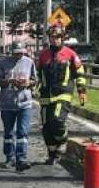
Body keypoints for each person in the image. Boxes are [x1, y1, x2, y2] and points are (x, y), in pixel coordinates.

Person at [36, 25, 87, 164]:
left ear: (62, 38)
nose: (55, 40)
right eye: (52, 37)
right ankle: (53, 153)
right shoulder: (43, 55)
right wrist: (32, 88)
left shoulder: (70, 54)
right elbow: (37, 76)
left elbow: (79, 73)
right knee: (47, 128)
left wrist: (82, 91)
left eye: (58, 37)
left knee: (57, 121)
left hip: (63, 94)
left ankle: (63, 140)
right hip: (46, 96)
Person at [0, 41, 36, 171]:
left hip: (25, 103)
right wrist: (7, 81)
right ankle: (9, 157)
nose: (19, 56)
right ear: (12, 52)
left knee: (23, 132)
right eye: (16, 53)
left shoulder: (29, 62)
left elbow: (35, 81)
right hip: (7, 104)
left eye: (21, 53)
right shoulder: (2, 63)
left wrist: (28, 82)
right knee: (9, 133)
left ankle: (21, 159)